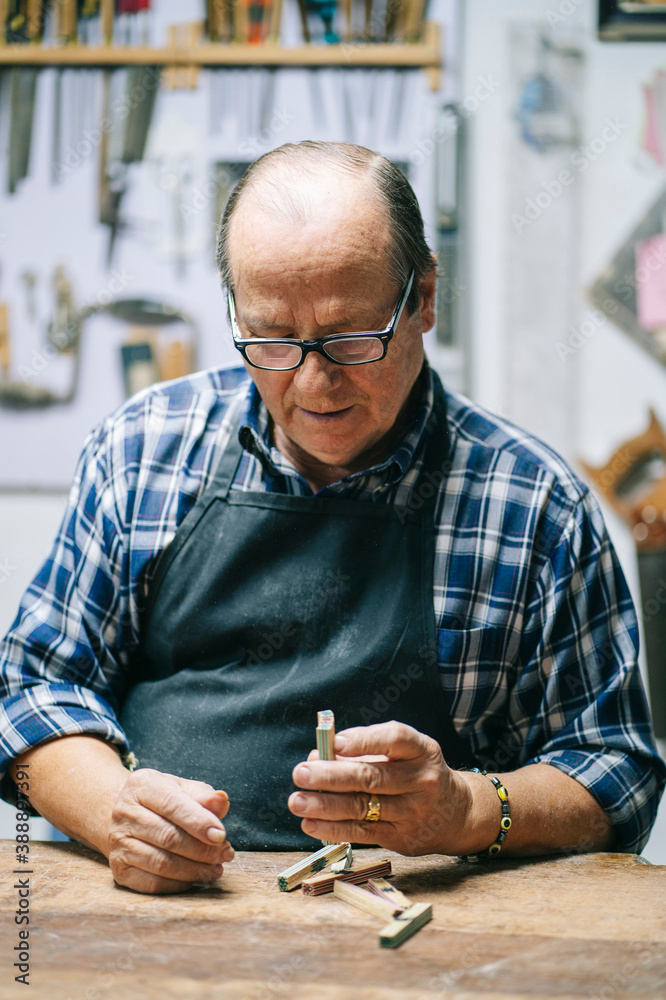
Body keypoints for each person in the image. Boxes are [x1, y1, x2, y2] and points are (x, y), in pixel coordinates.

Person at [0, 141, 663, 895]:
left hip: (420, 944)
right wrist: (114, 809)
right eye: (273, 337)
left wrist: (470, 808)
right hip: (155, 921)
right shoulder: (142, 450)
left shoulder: (534, 506)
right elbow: (29, 688)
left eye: (350, 336)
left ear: (424, 299)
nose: (314, 383)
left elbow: (617, 771)